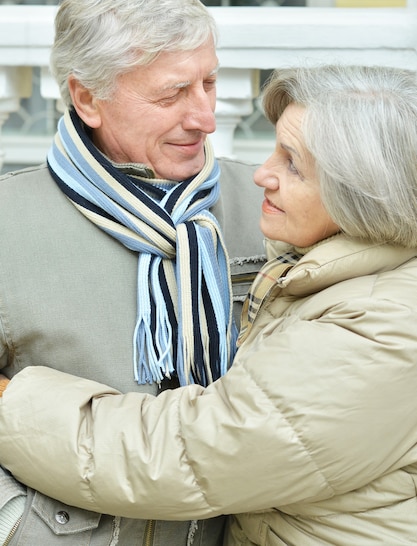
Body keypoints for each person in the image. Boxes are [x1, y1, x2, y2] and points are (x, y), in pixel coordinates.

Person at [2, 64, 417, 545]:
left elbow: (185, 455)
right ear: (87, 97)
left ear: (364, 195)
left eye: (292, 164)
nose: (263, 174)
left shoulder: (384, 326)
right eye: (171, 91)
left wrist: (11, 403)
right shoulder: (330, 272)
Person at [0, 0, 266, 546]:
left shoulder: (274, 210)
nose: (204, 117)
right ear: (87, 97)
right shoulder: (6, 221)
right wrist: (19, 526)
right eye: (172, 94)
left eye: (210, 84)